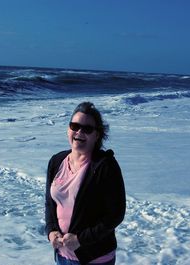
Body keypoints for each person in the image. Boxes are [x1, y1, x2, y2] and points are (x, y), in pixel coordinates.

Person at [45, 102, 126, 265]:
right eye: (74, 126)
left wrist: (81, 239)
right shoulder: (56, 161)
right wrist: (51, 231)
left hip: (94, 258)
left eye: (87, 129)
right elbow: (50, 204)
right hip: (62, 255)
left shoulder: (105, 166)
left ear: (97, 135)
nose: (79, 132)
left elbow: (115, 214)